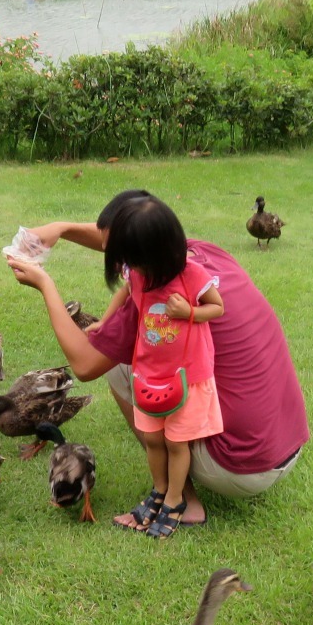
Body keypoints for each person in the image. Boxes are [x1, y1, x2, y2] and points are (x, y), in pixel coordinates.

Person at [7, 189, 309, 529]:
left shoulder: (154, 297)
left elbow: (85, 365)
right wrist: (61, 228)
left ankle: (181, 500)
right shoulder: (198, 254)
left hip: (238, 464)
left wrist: (45, 285)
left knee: (123, 367)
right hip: (284, 446)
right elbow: (126, 238)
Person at [97, 196, 224, 538]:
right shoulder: (138, 273)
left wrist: (190, 314)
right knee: (152, 439)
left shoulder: (191, 275)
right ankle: (158, 488)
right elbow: (124, 292)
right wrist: (104, 324)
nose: (133, 268)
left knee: (176, 444)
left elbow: (218, 307)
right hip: (148, 374)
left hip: (188, 377)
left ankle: (174, 500)